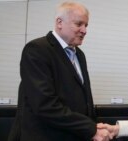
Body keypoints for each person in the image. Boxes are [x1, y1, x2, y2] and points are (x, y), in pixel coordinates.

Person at [8, 1, 111, 141]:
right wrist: (90, 129)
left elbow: (84, 100)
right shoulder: (37, 50)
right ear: (59, 22)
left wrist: (93, 128)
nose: (84, 30)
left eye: (86, 25)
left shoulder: (79, 55)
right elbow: (44, 105)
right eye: (79, 24)